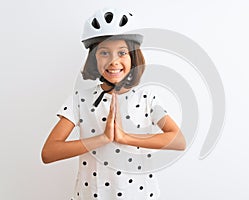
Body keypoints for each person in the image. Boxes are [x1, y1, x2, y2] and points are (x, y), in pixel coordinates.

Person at [41, 8, 186, 200]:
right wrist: (101, 139)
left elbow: (178, 140)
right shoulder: (79, 99)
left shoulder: (147, 97)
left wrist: (125, 138)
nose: (113, 61)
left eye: (122, 52)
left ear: (133, 57)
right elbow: (49, 152)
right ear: (94, 58)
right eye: (104, 53)